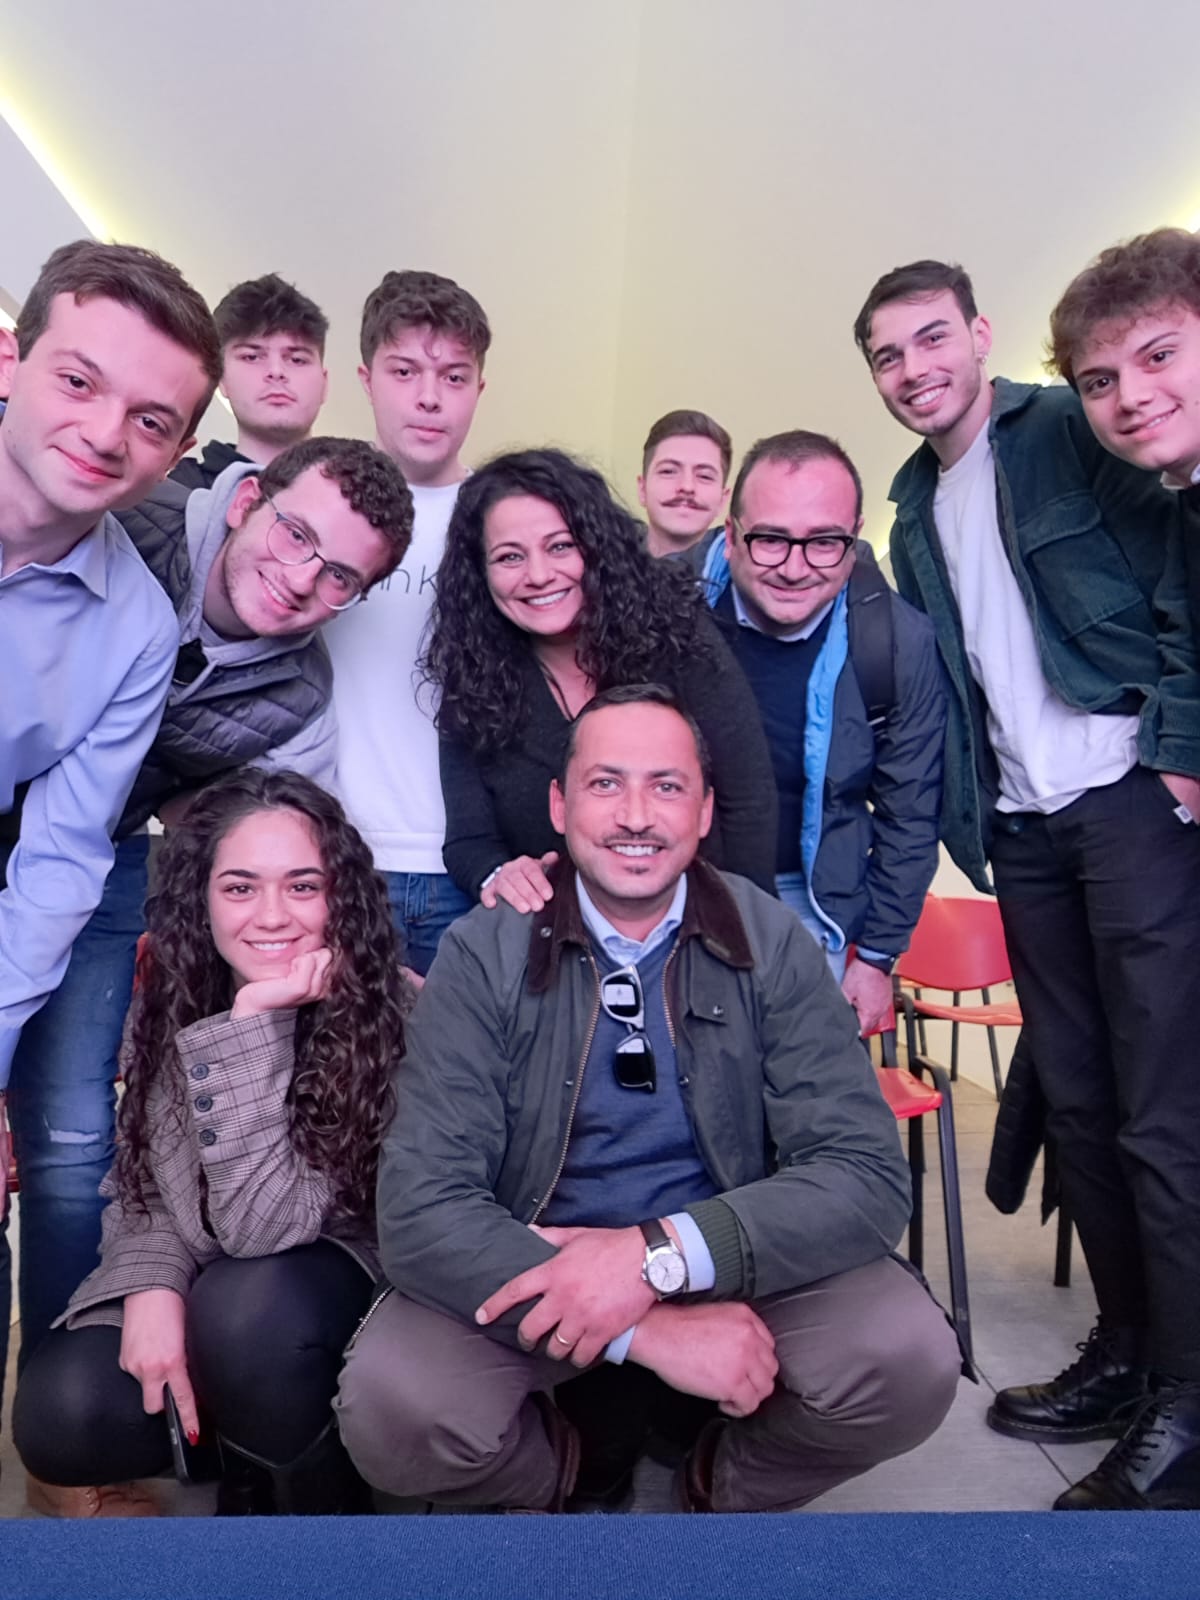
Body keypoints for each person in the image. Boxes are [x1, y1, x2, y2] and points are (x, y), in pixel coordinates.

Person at [335, 685, 961, 1512]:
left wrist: (653, 1255)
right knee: (397, 1409)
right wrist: (644, 1327)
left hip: (733, 1257)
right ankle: (557, 1490)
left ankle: (709, 1491)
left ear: (703, 811)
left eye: (666, 786)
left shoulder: (770, 940)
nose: (636, 815)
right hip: (538, 1261)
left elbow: (865, 1173)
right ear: (559, 806)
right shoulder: (483, 952)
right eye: (606, 784)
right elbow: (421, 1206)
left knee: (906, 1358)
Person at [854, 258, 1200, 1511]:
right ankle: (1131, 1348)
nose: (914, 370)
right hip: (1024, 826)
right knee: (1080, 1104)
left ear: (979, 335)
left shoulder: (1066, 427)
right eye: (887, 356)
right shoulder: (910, 507)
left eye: (931, 339)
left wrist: (1179, 748)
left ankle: (1189, 1398)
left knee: (1164, 1115)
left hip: (1128, 796)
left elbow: (1178, 582)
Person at [3, 435, 412, 1402]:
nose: (302, 578)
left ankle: (67, 1378)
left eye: (340, 577)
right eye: (296, 534)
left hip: (97, 861)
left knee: (72, 1142)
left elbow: (270, 855)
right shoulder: (121, 529)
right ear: (244, 501)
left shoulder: (298, 699)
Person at [12, 769, 407, 1518]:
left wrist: (258, 1021)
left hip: (328, 1292)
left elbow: (269, 1226)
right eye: (239, 888)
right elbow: (141, 1182)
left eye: (302, 886)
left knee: (247, 1310)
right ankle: (249, 1459)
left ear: (342, 897)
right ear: (202, 898)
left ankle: (316, 1515)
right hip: (213, 1276)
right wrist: (152, 1283)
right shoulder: (175, 994)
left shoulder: (394, 1011)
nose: (271, 915)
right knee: (62, 1412)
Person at [1, 239, 221, 1413]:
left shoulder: (135, 628)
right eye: (79, 381)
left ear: (176, 455)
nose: (103, 434)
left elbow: (60, 859)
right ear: (14, 358)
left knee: (61, 1145)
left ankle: (54, 1430)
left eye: (150, 420)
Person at [422, 448, 779, 907]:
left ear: (597, 548)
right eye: (510, 557)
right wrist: (498, 874)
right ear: (480, 574)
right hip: (553, 935)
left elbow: (748, 801)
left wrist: (745, 924)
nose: (538, 575)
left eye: (560, 546)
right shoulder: (473, 675)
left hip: (697, 923)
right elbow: (469, 843)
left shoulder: (677, 636)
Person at [695, 430, 944, 1034]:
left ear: (854, 537)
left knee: (800, 1088)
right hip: (674, 891)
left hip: (814, 909)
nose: (795, 568)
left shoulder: (897, 642)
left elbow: (910, 814)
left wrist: (876, 958)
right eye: (770, 540)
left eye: (824, 543)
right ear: (730, 534)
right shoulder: (666, 606)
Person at [324, 270, 490, 973]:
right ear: (366, 379)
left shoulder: (503, 521)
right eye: (405, 371)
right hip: (338, 858)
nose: (429, 397)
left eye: (454, 376)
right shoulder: (321, 510)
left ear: (479, 387)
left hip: (477, 867)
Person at [171, 274, 329, 490]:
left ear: (324, 384)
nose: (276, 371)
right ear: (221, 379)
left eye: (297, 359)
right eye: (252, 357)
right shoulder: (175, 496)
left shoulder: (362, 492)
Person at [637, 409, 732, 559]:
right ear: (642, 489)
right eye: (668, 471)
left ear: (723, 499)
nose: (687, 487)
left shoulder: (739, 570)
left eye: (704, 476)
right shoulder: (602, 560)